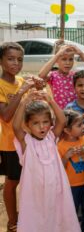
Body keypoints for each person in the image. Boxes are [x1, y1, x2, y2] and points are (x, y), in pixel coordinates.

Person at [13, 90, 80, 232]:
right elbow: (15, 127)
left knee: (56, 217)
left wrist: (50, 100)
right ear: (28, 124)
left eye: (45, 122)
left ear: (50, 122)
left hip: (55, 190)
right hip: (34, 193)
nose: (42, 126)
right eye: (36, 123)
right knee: (36, 220)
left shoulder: (51, 137)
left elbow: (62, 120)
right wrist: (24, 102)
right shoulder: (26, 142)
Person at [0, 42, 38, 232]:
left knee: (27, 180)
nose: (16, 63)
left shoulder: (22, 81)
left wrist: (37, 90)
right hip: (9, 143)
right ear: (1, 61)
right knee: (12, 181)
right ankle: (12, 220)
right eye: (11, 59)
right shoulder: (1, 85)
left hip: (27, 141)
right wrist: (21, 92)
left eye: (20, 59)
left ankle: (26, 215)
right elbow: (6, 115)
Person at [58, 109, 84, 232]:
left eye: (83, 123)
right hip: (71, 186)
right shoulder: (60, 146)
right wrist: (66, 157)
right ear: (67, 130)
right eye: (79, 125)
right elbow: (58, 169)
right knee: (73, 210)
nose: (83, 127)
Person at [38, 40, 84, 109]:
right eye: (64, 59)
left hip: (75, 114)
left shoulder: (75, 76)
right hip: (60, 114)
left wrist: (81, 54)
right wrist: (57, 55)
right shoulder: (53, 75)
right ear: (57, 60)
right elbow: (41, 75)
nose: (67, 63)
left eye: (70, 59)